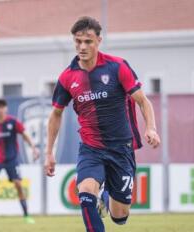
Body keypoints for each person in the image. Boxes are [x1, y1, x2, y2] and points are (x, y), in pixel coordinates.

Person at [45, 16, 161, 232]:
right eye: (78, 41)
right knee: (86, 192)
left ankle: (107, 195)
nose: (82, 46)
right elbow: (56, 115)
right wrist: (49, 152)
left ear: (99, 40)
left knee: (120, 216)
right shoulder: (67, 77)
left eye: (88, 41)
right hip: (91, 148)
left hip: (121, 148)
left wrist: (151, 127)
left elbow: (143, 101)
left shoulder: (117, 67)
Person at [0, 98, 39, 224]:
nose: (0, 109)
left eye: (2, 107)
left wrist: (33, 148)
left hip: (12, 159)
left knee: (19, 185)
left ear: (6, 108)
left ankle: (26, 215)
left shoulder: (13, 122)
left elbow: (24, 134)